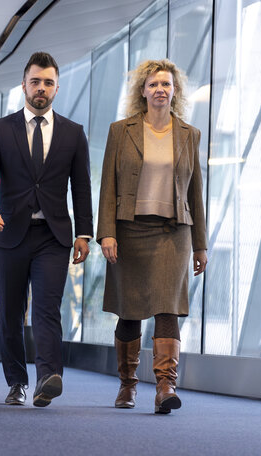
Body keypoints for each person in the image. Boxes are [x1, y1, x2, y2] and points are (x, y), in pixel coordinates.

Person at [0, 51, 93, 407]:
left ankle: (47, 377)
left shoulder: (73, 133)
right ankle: (16, 382)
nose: (41, 88)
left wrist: (84, 233)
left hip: (52, 236)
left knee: (46, 308)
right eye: (36, 81)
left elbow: (82, 186)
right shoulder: (0, 128)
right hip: (9, 232)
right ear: (24, 84)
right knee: (10, 312)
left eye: (49, 83)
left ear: (57, 87)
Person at [96, 59, 207, 414]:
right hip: (128, 231)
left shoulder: (189, 134)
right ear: (142, 90)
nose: (160, 89)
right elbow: (107, 187)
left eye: (166, 85)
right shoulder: (120, 130)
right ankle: (128, 386)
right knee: (129, 312)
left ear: (174, 92)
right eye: (154, 84)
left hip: (173, 234)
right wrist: (106, 233)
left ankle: (165, 388)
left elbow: (196, 194)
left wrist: (201, 244)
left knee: (167, 309)